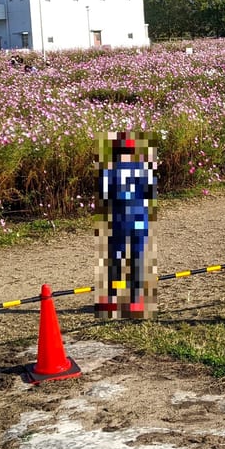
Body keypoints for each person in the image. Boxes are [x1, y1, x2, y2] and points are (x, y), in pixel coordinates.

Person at [96, 132, 158, 319]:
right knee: (137, 259)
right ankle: (135, 300)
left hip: (119, 220)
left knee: (116, 260)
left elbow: (104, 196)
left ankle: (112, 299)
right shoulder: (144, 169)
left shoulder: (108, 171)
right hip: (139, 218)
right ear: (133, 151)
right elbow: (151, 194)